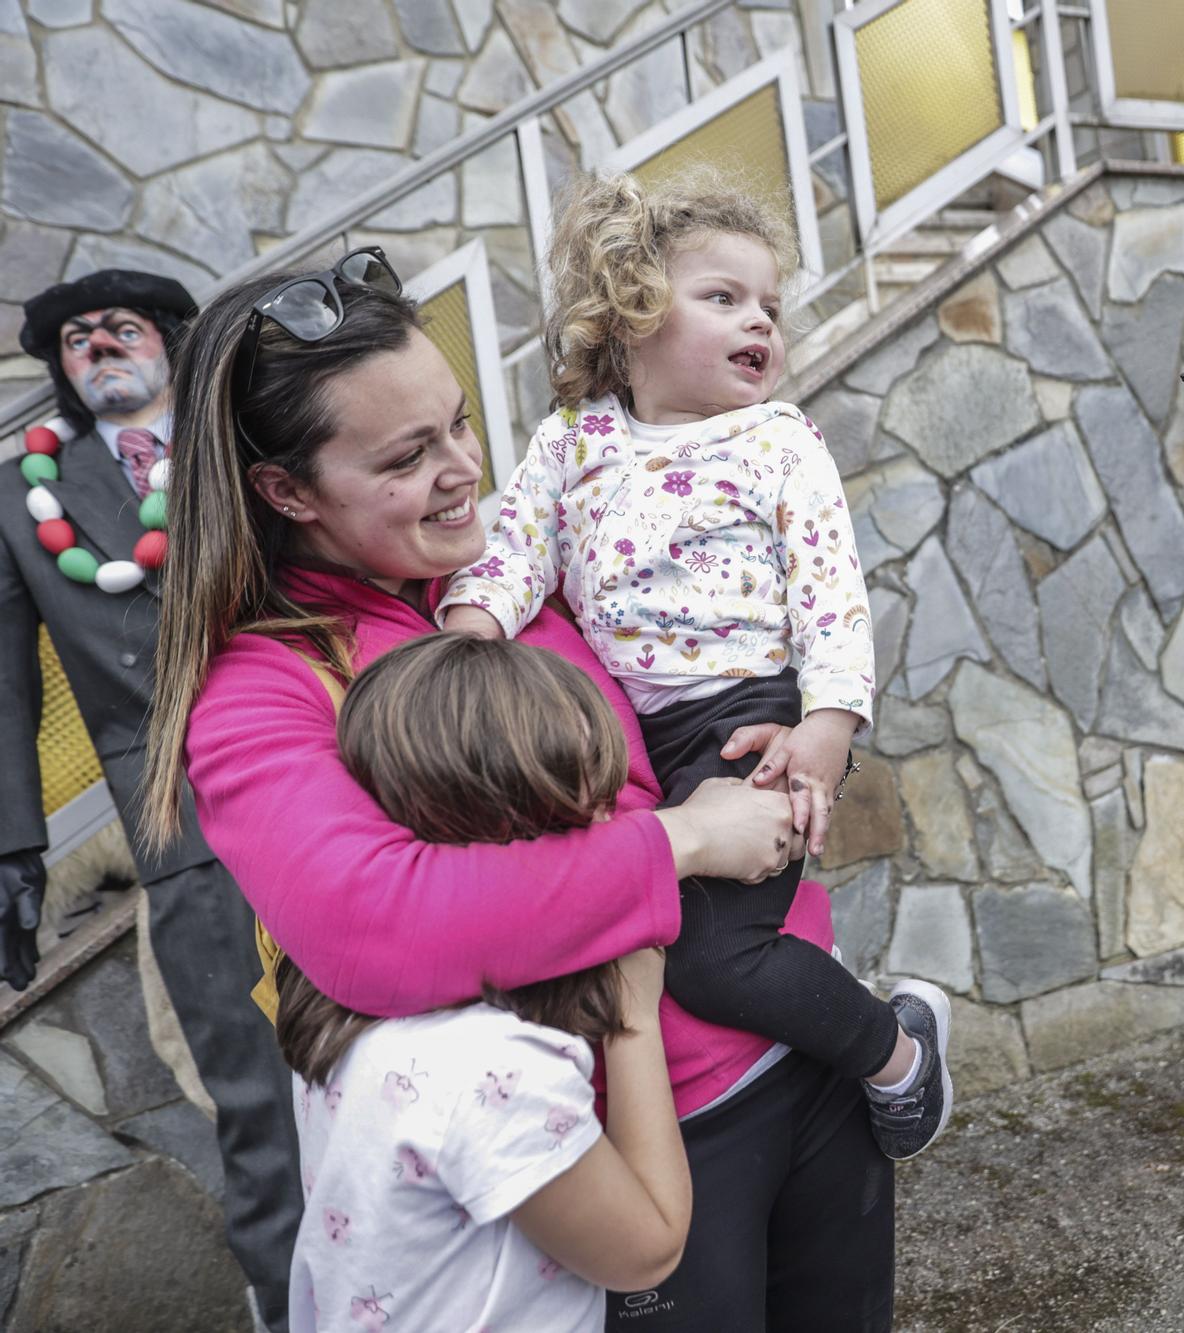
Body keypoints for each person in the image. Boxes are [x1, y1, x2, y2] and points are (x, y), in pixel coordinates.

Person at [141, 247, 898, 1331]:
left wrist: (792, 728)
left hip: (798, 1044)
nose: (462, 469)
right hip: (642, 1149)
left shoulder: (505, 573)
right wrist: (678, 843)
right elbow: (375, 923)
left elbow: (707, 659)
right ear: (284, 490)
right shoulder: (260, 689)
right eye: (407, 455)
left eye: (458, 422)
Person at [437, 170, 953, 1162]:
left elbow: (832, 598)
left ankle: (897, 1057)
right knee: (606, 918)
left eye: (768, 305)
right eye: (723, 298)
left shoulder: (775, 439)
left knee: (712, 960)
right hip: (629, 739)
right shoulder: (570, 444)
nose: (758, 320)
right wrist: (468, 632)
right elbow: (513, 557)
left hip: (749, 715)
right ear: (626, 318)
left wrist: (826, 730)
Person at [1, 268, 302, 1330]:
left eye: (118, 328)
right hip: (185, 825)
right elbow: (4, 687)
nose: (95, 347)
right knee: (257, 1099)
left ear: (170, 342)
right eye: (75, 339)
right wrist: (11, 847)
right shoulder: (24, 496)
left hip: (342, 771)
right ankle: (292, 1308)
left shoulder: (257, 433)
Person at [280, 633, 691, 1332]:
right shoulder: (495, 1071)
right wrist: (634, 1017)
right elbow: (648, 1249)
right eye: (593, 819)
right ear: (520, 833)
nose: (615, 830)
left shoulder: (335, 988)